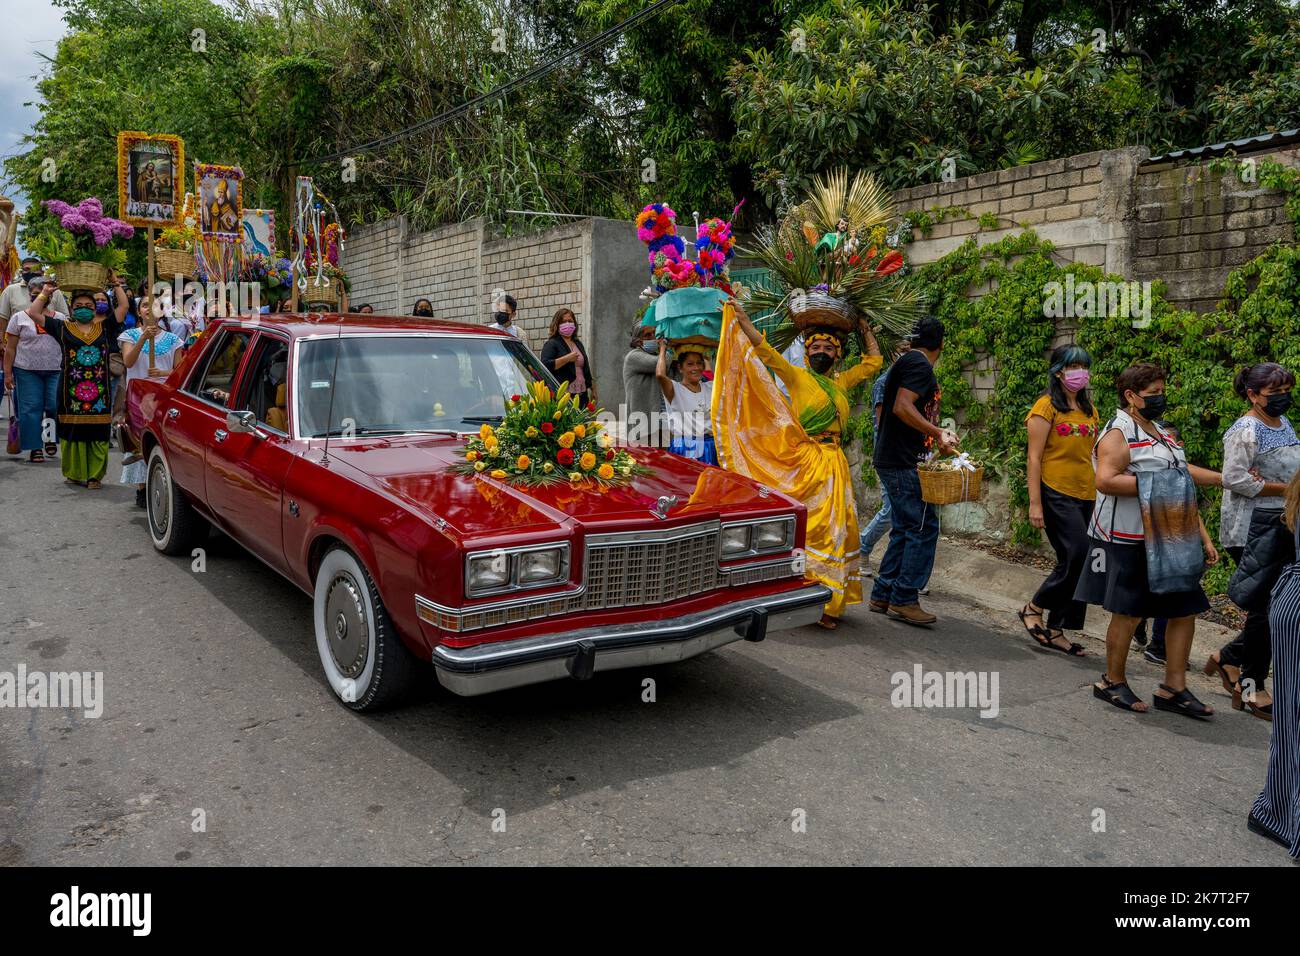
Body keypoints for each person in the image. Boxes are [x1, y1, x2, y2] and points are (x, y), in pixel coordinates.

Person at [711, 301, 882, 628]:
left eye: (826, 348)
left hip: (836, 464)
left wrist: (864, 327)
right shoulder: (796, 376)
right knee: (813, 531)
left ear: (837, 354)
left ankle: (829, 601)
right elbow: (764, 352)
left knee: (838, 530)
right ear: (806, 352)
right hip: (806, 462)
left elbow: (873, 362)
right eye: (814, 346)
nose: (820, 351)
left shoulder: (842, 382)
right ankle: (805, 595)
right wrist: (743, 320)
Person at [1077, 363, 1222, 717]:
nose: (1160, 398)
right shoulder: (1117, 433)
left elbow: (1181, 474)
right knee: (1129, 612)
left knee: (1184, 609)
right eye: (1153, 393)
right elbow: (1106, 481)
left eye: (1161, 391)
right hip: (1127, 537)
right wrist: (1159, 485)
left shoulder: (1158, 432)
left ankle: (1174, 687)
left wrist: (1223, 479)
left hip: (1170, 535)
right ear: (1130, 396)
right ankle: (1111, 681)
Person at [1206, 362, 1299, 720]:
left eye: (1286, 389)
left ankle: (1230, 659)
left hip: (1282, 524)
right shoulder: (1245, 430)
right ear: (1252, 395)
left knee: (1274, 607)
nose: (1282, 398)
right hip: (1250, 529)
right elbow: (1234, 479)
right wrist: (1287, 488)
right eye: (1274, 393)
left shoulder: (1282, 423)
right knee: (1267, 609)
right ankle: (1250, 685)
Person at [869, 316, 959, 627]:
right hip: (901, 461)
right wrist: (937, 432)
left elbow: (903, 412)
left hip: (897, 458)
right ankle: (905, 598)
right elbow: (902, 407)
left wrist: (934, 441)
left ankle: (883, 593)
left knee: (906, 527)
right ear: (942, 344)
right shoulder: (919, 365)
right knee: (923, 528)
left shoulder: (907, 362)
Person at [1017, 344, 1099, 656]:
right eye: (1073, 366)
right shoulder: (1045, 408)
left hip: (1086, 493)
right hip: (1055, 491)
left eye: (1084, 366)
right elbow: (1034, 459)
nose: (1081, 373)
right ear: (1059, 371)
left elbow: (1091, 455)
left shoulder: (1090, 410)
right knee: (1076, 553)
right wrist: (1035, 503)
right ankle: (1034, 607)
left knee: (1082, 560)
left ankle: (1056, 628)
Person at [20, 279, 127, 488]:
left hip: (100, 393)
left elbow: (123, 306)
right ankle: (74, 473)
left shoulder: (104, 327)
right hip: (70, 393)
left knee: (98, 433)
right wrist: (45, 293)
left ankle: (95, 476)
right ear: (71, 308)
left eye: (89, 306)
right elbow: (33, 313)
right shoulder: (62, 328)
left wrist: (115, 284)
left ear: (96, 309)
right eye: (78, 307)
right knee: (72, 431)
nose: (84, 310)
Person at [1247, 470, 1300, 858]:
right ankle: (1280, 813)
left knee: (1291, 717)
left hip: (1291, 601)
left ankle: (1279, 811)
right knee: (1292, 718)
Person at [118, 315, 188, 507]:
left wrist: (162, 373)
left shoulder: (174, 340)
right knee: (138, 441)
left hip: (162, 397)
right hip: (138, 397)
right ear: (140, 311)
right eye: (146, 305)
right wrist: (142, 338)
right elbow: (128, 362)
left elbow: (179, 370)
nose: (150, 309)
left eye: (155, 305)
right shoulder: (129, 335)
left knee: (161, 440)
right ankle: (142, 488)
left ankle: (162, 485)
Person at [860, 340, 911, 579]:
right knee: (891, 510)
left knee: (904, 513)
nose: (907, 358)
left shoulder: (908, 384)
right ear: (894, 355)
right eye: (903, 352)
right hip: (888, 456)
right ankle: (862, 547)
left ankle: (904, 571)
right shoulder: (884, 384)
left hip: (906, 455)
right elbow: (883, 425)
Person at [3, 274, 64, 461]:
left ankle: (49, 438)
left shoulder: (61, 317)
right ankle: (35, 447)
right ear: (30, 295)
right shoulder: (18, 318)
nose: (40, 297)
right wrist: (7, 374)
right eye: (35, 294)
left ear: (51, 297)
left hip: (55, 370)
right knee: (31, 409)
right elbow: (10, 348)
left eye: (44, 294)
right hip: (26, 370)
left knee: (53, 406)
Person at [656, 339, 715, 464]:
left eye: (699, 363)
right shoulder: (674, 389)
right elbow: (660, 375)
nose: (696, 368)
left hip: (710, 446)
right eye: (690, 364)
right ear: (680, 368)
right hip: (685, 447)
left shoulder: (710, 387)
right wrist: (662, 347)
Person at [540, 309, 595, 408]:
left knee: (583, 422)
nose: (567, 324)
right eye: (563, 322)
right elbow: (545, 366)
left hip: (582, 393)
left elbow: (585, 367)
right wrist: (567, 358)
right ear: (557, 324)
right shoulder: (552, 343)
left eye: (570, 321)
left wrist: (592, 387)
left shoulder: (577, 343)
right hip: (564, 395)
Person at [621, 321, 663, 443]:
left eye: (655, 333)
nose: (653, 337)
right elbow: (658, 364)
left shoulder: (658, 355)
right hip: (642, 426)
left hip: (659, 421)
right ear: (638, 341)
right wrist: (666, 348)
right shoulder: (633, 356)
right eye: (648, 335)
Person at [1, 257, 67, 320]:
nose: (31, 272)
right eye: (27, 269)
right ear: (21, 272)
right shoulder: (10, 290)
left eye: (35, 269)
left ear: (42, 272)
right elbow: (2, 317)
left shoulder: (54, 291)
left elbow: (65, 317)